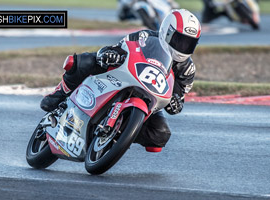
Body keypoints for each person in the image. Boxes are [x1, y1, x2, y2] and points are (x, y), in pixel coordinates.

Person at [40, 9, 201, 151]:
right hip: (122, 78)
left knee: (161, 135)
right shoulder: (145, 37)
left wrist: (176, 103)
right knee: (87, 61)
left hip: (150, 102)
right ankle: (60, 93)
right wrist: (111, 54)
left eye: (188, 43)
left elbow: (178, 96)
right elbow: (120, 47)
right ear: (167, 31)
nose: (183, 47)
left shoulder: (187, 70)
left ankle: (121, 134)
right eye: (179, 40)